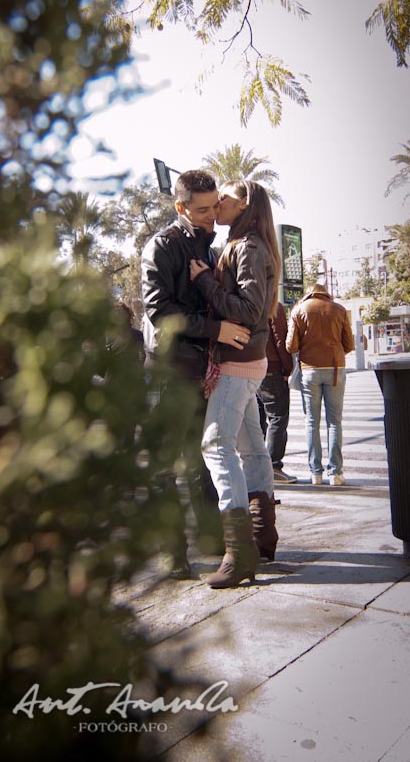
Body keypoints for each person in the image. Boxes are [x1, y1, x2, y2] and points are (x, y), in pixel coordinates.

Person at [141, 170, 250, 579]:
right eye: (201, 209)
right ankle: (172, 557)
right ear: (180, 207)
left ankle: (215, 544)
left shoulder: (213, 246)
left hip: (200, 371)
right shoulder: (161, 247)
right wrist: (215, 329)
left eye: (213, 207)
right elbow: (160, 313)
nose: (210, 215)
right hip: (167, 372)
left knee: (200, 461)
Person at [189, 179, 282, 588]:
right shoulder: (249, 245)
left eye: (224, 199)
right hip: (250, 362)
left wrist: (205, 282)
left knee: (215, 445)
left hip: (238, 363)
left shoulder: (247, 248)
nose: (218, 205)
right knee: (252, 448)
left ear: (244, 204)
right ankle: (262, 535)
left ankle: (240, 551)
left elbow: (247, 308)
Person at [286, 284, 355, 486]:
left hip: (309, 370)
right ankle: (336, 473)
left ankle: (315, 473)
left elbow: (291, 346)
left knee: (311, 423)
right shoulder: (339, 309)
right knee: (335, 422)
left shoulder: (299, 309)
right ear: (326, 293)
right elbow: (349, 345)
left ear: (308, 293)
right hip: (335, 369)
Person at [257, 302, 297, 483]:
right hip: (272, 369)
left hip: (250, 368)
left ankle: (258, 466)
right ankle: (273, 466)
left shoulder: (245, 301)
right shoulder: (273, 305)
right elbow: (281, 340)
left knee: (257, 422)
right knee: (278, 418)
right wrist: (288, 369)